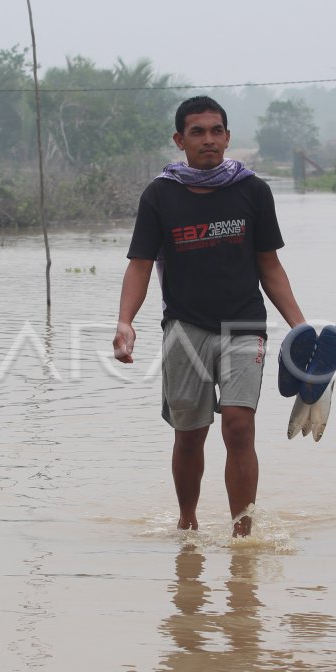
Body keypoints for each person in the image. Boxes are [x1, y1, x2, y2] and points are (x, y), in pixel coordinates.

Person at [113, 96, 306, 536]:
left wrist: (302, 327)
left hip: (244, 324)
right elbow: (140, 264)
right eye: (197, 132)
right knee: (190, 433)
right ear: (180, 140)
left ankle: (243, 534)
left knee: (239, 427)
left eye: (216, 131)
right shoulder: (160, 195)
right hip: (184, 327)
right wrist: (125, 321)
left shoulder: (252, 190)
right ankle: (188, 524)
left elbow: (269, 266)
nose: (209, 140)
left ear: (228, 137)